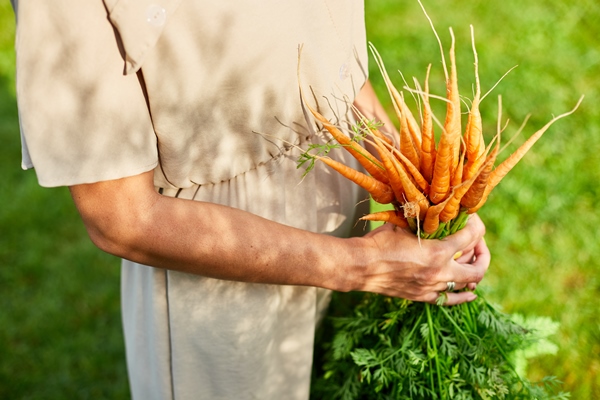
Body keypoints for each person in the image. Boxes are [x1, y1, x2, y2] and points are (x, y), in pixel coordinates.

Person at [11, 0, 490, 399]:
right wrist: (361, 267)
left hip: (366, 216)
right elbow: (121, 216)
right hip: (223, 273)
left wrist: (423, 196)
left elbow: (336, 66)